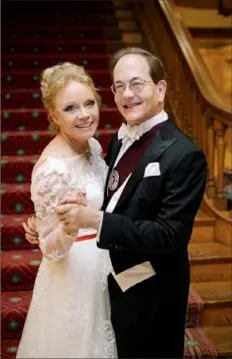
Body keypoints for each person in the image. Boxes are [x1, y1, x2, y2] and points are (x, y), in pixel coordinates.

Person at [24, 47, 207, 358]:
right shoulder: (116, 139)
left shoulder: (184, 154)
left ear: (159, 89)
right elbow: (111, 197)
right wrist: (53, 226)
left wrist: (92, 221)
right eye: (119, 86)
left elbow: (169, 236)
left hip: (154, 293)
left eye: (137, 84)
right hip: (106, 281)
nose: (127, 94)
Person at [16, 62, 117, 358]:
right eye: (71, 108)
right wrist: (68, 228)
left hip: (104, 263)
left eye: (89, 103)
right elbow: (50, 248)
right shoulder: (51, 169)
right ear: (54, 116)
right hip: (74, 278)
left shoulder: (94, 146)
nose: (84, 114)